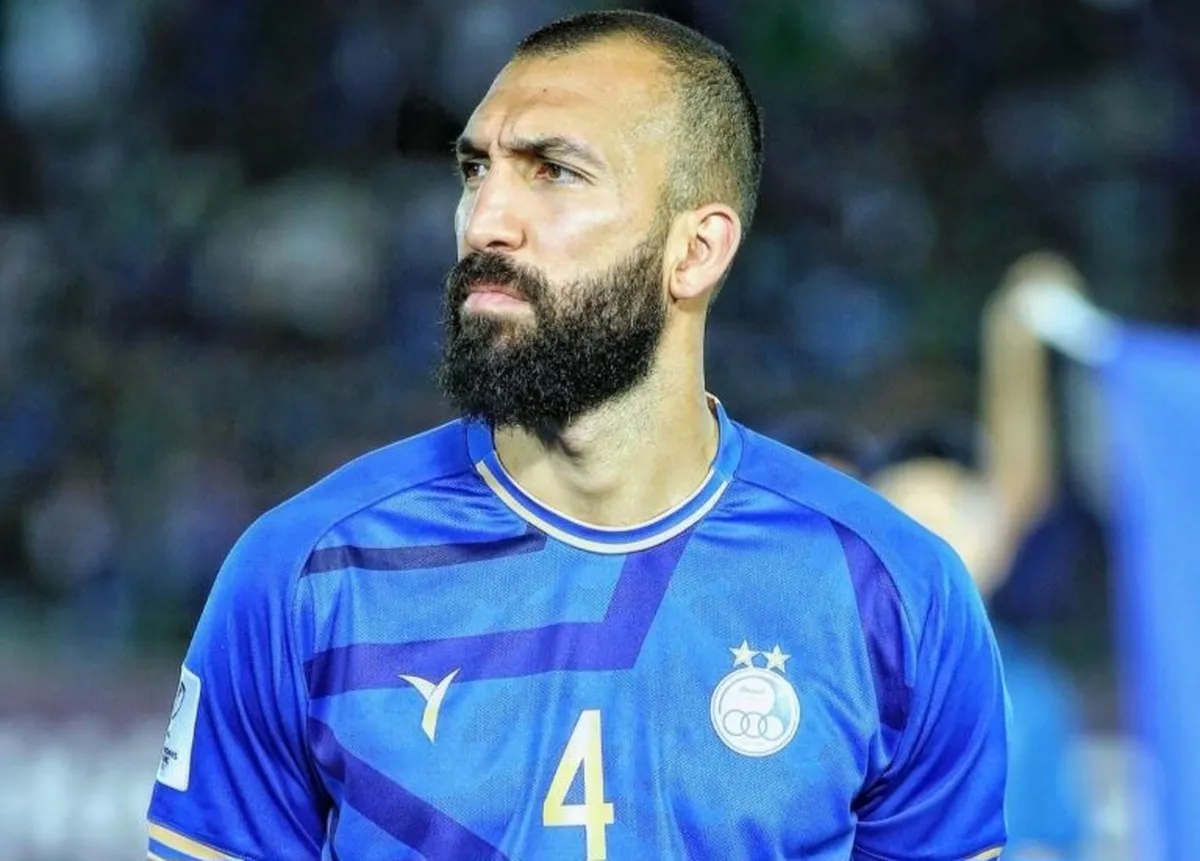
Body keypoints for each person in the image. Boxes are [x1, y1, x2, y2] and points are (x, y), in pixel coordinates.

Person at [146, 11, 1007, 860]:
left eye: (554, 171)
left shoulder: (894, 593)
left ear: (696, 251)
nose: (485, 220)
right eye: (475, 169)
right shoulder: (307, 572)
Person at [871, 254, 1093, 860]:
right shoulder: (831, 676)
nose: (930, 551)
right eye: (908, 526)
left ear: (994, 547)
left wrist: (1014, 344)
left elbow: (1053, 842)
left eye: (950, 524)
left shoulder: (1031, 696)